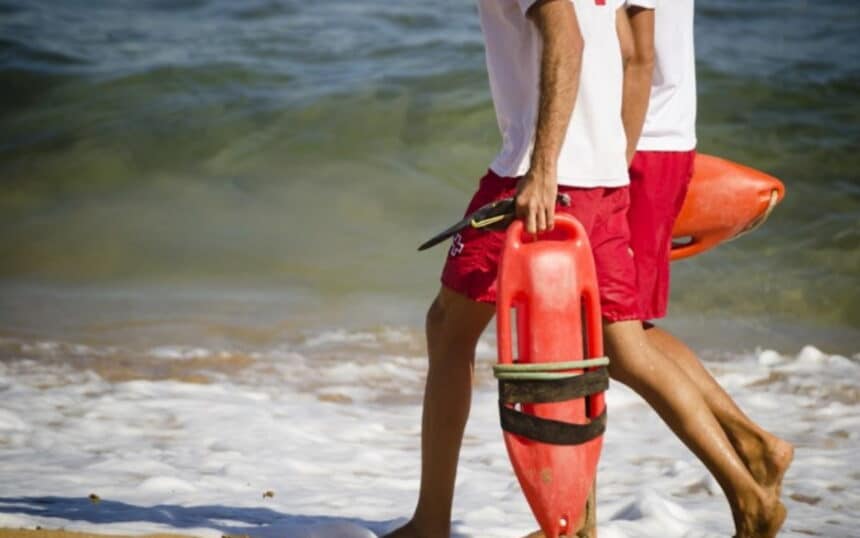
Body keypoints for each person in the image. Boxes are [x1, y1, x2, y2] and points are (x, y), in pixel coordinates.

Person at [385, 1, 787, 537]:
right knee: (627, 348)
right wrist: (607, 163)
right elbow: (628, 49)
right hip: (601, 175)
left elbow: (568, 39)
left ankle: (431, 523)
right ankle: (748, 495)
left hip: (540, 173)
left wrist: (544, 167)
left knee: (448, 329)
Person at [621, 0, 795, 517]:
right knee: (616, 330)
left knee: (612, 334)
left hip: (637, 146)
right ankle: (753, 446)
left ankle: (750, 452)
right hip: (650, 139)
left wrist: (608, 161)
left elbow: (634, 57)